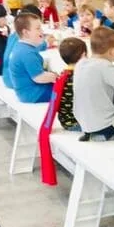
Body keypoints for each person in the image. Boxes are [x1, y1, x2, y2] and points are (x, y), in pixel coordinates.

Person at [73, 27, 114, 141]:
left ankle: (91, 133)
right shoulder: (105, 66)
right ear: (112, 51)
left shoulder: (81, 63)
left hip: (83, 121)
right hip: (103, 123)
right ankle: (106, 134)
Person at [39, 37, 87, 186]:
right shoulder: (79, 77)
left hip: (65, 120)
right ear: (84, 55)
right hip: (74, 123)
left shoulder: (64, 74)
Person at [9, 12, 57, 103]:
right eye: (38, 28)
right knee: (67, 92)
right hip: (34, 93)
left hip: (27, 91)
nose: (42, 31)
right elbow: (39, 78)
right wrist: (57, 76)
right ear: (26, 33)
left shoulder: (22, 46)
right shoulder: (27, 53)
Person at [3, 4, 49, 89]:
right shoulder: (24, 43)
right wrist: (46, 43)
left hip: (6, 75)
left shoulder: (14, 34)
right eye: (38, 27)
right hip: (15, 81)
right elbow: (32, 47)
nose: (41, 30)